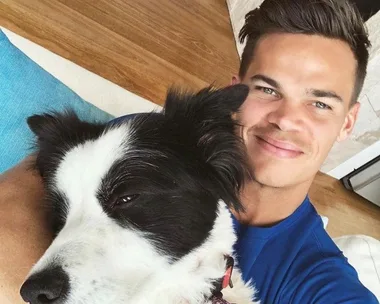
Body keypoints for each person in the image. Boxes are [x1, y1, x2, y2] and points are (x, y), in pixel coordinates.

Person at [0, 0, 378, 303]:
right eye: (267, 90)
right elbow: (10, 209)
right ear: (235, 93)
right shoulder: (148, 140)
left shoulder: (316, 281)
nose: (285, 120)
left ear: (348, 122)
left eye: (321, 104)